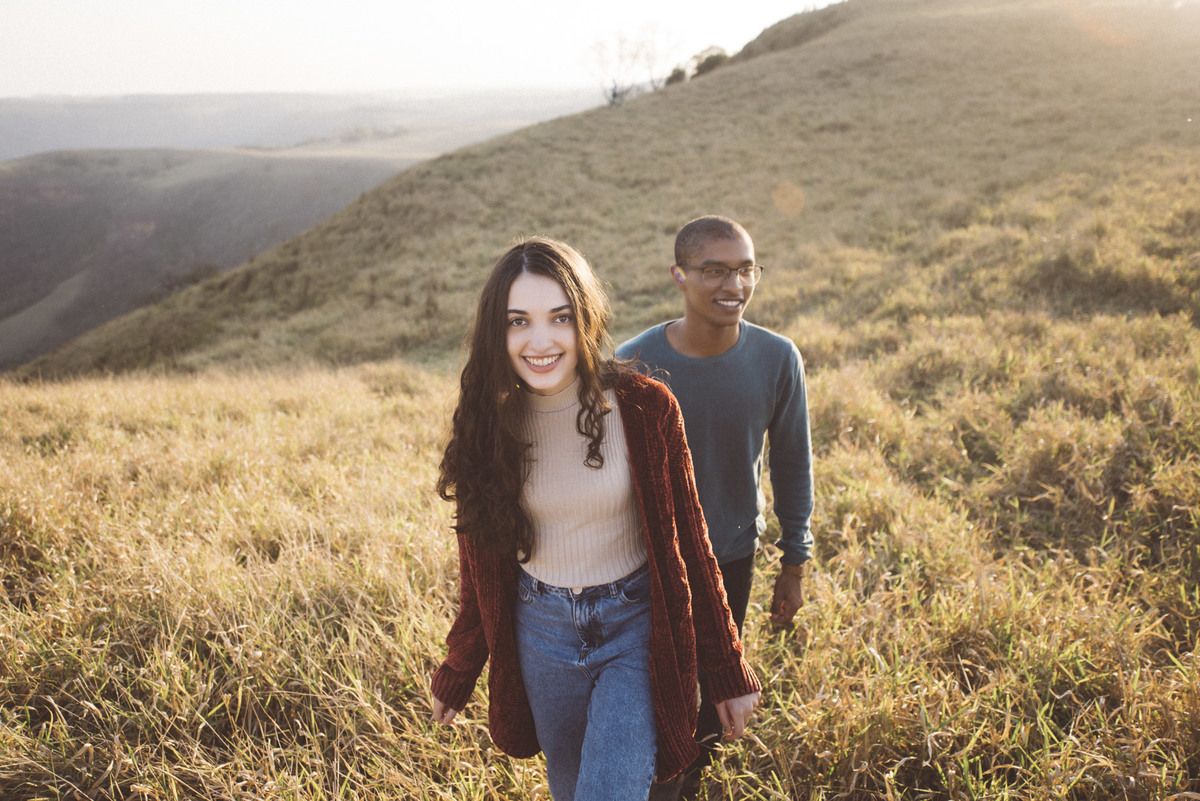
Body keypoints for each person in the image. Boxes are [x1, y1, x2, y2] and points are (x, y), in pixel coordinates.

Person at [429, 236, 762, 801]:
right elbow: (479, 567)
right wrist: (460, 666)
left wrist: (726, 667)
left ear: (585, 317)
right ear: (497, 330)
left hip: (634, 630)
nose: (540, 341)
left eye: (559, 317)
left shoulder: (644, 408)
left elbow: (692, 546)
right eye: (518, 321)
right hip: (541, 633)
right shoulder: (491, 424)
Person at [616, 216, 815, 800]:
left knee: (710, 701)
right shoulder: (634, 363)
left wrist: (795, 562)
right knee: (650, 698)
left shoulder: (778, 359)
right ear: (679, 275)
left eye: (746, 268)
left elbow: (792, 466)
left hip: (731, 559)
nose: (735, 283)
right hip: (644, 565)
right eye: (715, 270)